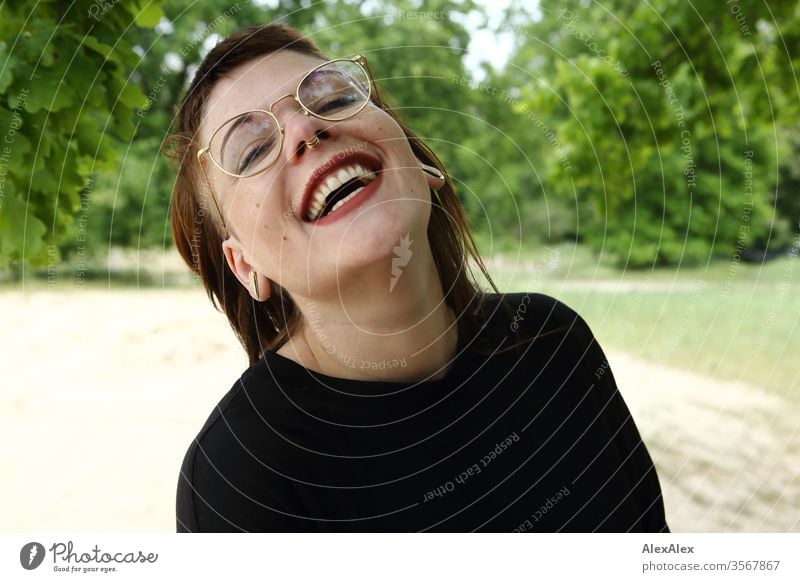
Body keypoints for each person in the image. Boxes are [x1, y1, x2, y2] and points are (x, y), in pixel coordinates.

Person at [163, 22, 670, 532]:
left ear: (419, 165)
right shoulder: (241, 477)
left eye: (333, 98)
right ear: (245, 264)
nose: (305, 130)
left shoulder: (554, 343)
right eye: (251, 151)